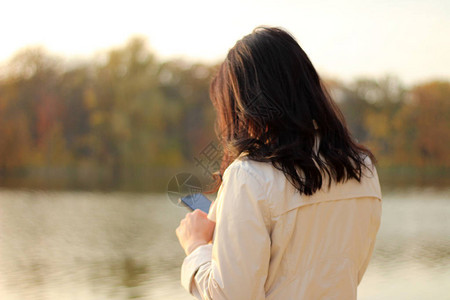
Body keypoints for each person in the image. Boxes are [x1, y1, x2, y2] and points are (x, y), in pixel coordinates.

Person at [175, 26, 382, 300]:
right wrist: (233, 219)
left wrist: (197, 246)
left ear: (243, 105)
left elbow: (231, 296)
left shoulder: (249, 177)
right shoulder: (362, 168)